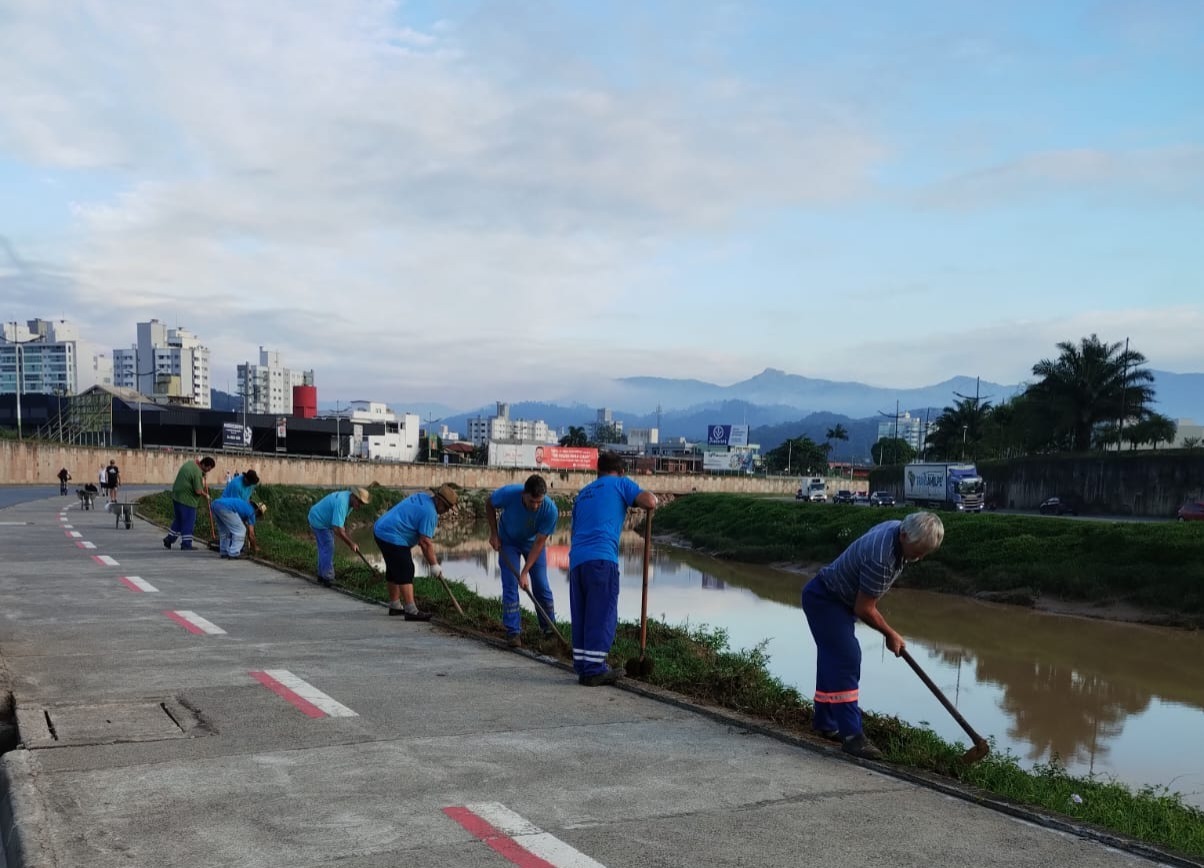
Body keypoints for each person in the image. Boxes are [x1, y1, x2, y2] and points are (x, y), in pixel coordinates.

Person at [801, 511, 945, 760]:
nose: (919, 558)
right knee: (846, 658)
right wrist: (890, 634)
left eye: (925, 554)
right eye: (917, 551)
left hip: (832, 598)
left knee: (832, 659)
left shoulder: (895, 528)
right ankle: (852, 737)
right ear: (903, 535)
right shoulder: (883, 559)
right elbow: (864, 608)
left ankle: (826, 722)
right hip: (826, 600)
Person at [568, 451, 657, 686]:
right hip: (601, 559)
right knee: (602, 613)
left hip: (577, 561)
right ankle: (595, 669)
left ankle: (583, 666)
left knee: (583, 614)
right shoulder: (620, 484)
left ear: (598, 471)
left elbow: (573, 530)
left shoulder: (583, 493)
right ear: (621, 471)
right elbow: (649, 501)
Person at [486, 475, 558, 647]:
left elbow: (540, 543)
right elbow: (489, 503)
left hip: (532, 544)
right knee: (510, 583)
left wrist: (524, 572)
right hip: (508, 541)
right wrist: (494, 533)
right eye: (532, 501)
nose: (535, 506)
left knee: (541, 584)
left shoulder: (550, 510)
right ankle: (513, 632)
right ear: (523, 494)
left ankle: (549, 629)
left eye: (538, 502)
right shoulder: (509, 494)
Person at [373, 484, 459, 621]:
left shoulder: (422, 497)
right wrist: (434, 566)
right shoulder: (430, 513)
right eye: (447, 508)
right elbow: (425, 543)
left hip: (380, 529)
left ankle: (395, 605)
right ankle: (411, 611)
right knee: (406, 569)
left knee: (394, 568)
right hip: (392, 535)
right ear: (439, 501)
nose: (446, 511)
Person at [307, 487, 371, 587]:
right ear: (354, 497)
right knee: (328, 546)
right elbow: (337, 529)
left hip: (320, 518)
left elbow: (341, 522)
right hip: (319, 520)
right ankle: (328, 578)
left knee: (324, 548)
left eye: (362, 504)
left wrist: (347, 535)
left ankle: (321, 575)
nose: (360, 505)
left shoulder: (348, 500)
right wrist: (351, 543)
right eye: (360, 502)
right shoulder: (342, 502)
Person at [162, 457, 216, 551]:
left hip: (177, 497)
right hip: (187, 500)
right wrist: (206, 495)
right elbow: (198, 490)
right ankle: (186, 544)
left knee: (179, 520)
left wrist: (202, 474)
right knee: (188, 521)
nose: (209, 471)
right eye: (208, 469)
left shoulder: (191, 464)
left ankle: (169, 539)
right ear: (203, 465)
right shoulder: (197, 472)